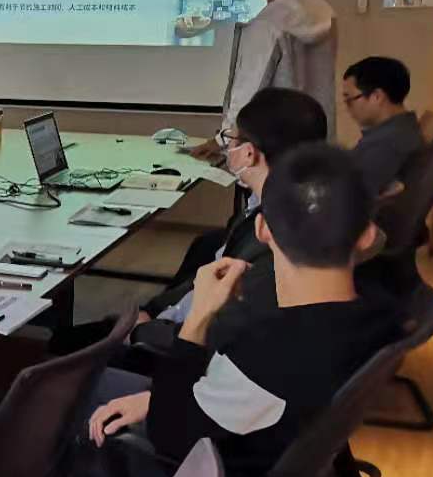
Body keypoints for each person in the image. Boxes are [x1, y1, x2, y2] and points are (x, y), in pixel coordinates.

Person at [88, 144, 402, 477]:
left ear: (262, 228)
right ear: (368, 236)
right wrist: (156, 400)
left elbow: (169, 437)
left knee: (79, 389)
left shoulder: (267, 352)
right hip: (273, 448)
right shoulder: (382, 313)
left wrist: (197, 319)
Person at [133, 88, 328, 350]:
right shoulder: (287, 203)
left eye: (231, 139)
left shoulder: (272, 237)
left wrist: (143, 330)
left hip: (174, 348)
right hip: (172, 321)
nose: (228, 148)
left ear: (249, 153)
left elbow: (210, 331)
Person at [190, 0, 336, 160]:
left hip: (273, 146)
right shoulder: (323, 13)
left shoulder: (267, 26)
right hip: (316, 139)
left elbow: (248, 91)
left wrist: (223, 140)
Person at [343, 55, 424, 197]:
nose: (347, 108)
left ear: (377, 97)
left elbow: (348, 196)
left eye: (349, 100)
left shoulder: (388, 143)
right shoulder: (399, 129)